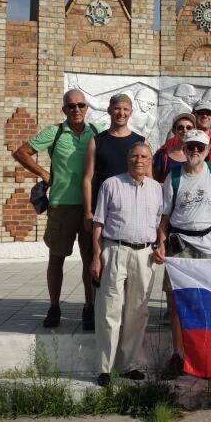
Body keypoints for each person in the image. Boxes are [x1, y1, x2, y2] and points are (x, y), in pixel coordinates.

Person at [11, 89, 99, 329]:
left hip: (90, 206)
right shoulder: (56, 132)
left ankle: (89, 307)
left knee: (90, 259)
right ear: (64, 110)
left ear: (86, 108)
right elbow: (22, 152)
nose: (77, 110)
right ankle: (54, 306)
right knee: (56, 258)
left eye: (81, 105)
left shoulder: (96, 132)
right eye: (71, 106)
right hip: (61, 205)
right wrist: (44, 174)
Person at [158, 129, 211, 378]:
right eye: (190, 146)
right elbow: (165, 217)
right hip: (180, 246)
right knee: (177, 304)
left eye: (199, 148)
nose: (194, 151)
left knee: (208, 303)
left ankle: (207, 356)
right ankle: (178, 355)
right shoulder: (174, 176)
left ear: (207, 149)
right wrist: (161, 242)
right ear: (184, 146)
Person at [90, 143, 164, 385]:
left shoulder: (156, 189)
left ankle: (129, 364)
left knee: (137, 311)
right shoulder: (111, 184)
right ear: (127, 158)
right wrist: (95, 257)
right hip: (115, 250)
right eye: (134, 155)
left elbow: (160, 223)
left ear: (150, 160)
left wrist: (160, 245)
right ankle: (104, 367)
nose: (138, 160)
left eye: (144, 156)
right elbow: (98, 223)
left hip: (144, 255)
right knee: (109, 310)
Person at [80, 93, 145, 331]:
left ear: (131, 112)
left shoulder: (140, 141)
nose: (121, 113)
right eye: (117, 109)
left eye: (125, 109)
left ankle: (124, 315)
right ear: (109, 111)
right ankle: (92, 307)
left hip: (130, 215)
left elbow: (146, 179)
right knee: (96, 261)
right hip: (102, 211)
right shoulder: (98, 141)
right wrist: (88, 212)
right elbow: (87, 179)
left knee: (124, 268)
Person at [160, 100, 211, 164]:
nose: (205, 116)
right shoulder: (174, 141)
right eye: (201, 112)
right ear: (193, 114)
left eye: (208, 113)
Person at [153, 113, 196, 182]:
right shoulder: (162, 154)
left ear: (194, 130)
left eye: (189, 127)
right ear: (174, 131)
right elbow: (153, 182)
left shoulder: (200, 154)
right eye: (180, 127)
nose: (185, 130)